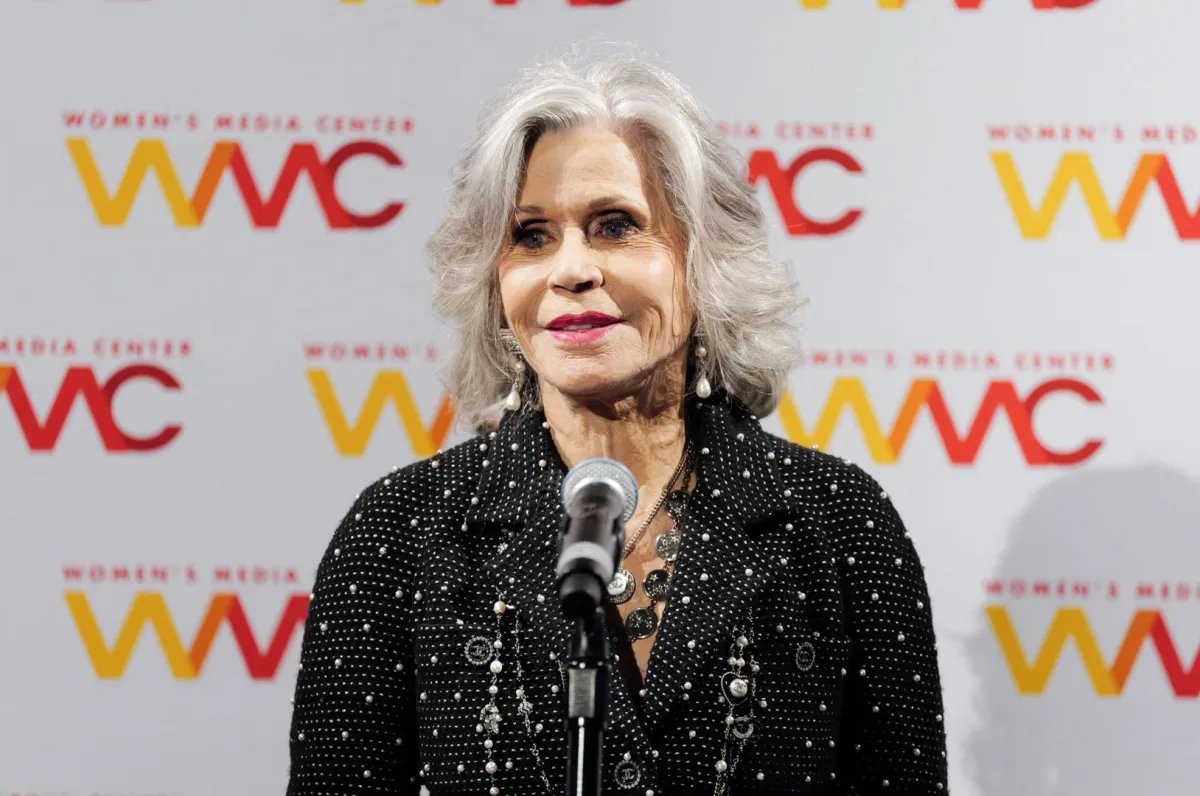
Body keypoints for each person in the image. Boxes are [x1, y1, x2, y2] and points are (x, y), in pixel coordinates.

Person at [285, 51, 948, 796]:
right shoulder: (399, 533)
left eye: (614, 226)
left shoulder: (836, 522)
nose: (570, 269)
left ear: (706, 261)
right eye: (531, 235)